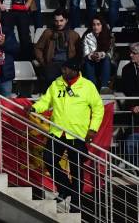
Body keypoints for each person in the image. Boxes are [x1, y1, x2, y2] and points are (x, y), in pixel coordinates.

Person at [27, 58, 104, 214]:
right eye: (63, 69)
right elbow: (46, 101)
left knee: (76, 169)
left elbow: (98, 109)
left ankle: (76, 201)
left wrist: (93, 129)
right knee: (49, 159)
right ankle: (65, 189)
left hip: (77, 133)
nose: (63, 71)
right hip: (57, 131)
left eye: (66, 69)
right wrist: (35, 108)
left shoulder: (87, 86)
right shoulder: (56, 84)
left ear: (75, 70)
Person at [34, 9, 81, 85]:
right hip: (52, 63)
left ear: (66, 20)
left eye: (61, 20)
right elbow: (38, 48)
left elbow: (80, 51)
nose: (58, 23)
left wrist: (76, 63)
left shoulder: (73, 34)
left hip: (68, 64)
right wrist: (43, 61)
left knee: (71, 80)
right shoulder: (48, 33)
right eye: (56, 21)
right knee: (51, 80)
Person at [81, 15, 113, 92]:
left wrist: (101, 54)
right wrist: (92, 56)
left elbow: (111, 54)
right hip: (91, 64)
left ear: (102, 25)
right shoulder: (87, 36)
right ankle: (93, 88)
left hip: (106, 65)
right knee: (87, 61)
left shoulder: (109, 36)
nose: (96, 27)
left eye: (98, 24)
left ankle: (104, 87)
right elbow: (85, 53)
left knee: (106, 59)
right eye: (94, 24)